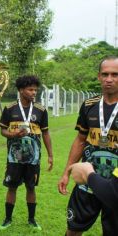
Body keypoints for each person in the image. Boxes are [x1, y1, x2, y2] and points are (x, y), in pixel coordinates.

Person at [58, 56, 118, 236]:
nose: (109, 79)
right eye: (105, 74)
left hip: (114, 187)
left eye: (115, 74)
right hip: (86, 182)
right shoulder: (89, 105)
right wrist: (67, 171)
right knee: (73, 230)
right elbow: (80, 140)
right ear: (99, 76)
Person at [0, 75, 53, 231]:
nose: (33, 92)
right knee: (12, 187)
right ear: (21, 90)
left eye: (35, 90)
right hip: (14, 158)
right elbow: (3, 130)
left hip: (33, 159)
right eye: (30, 89)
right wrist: (12, 135)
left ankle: (32, 219)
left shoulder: (41, 110)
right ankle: (7, 219)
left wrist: (50, 155)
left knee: (31, 187)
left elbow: (46, 134)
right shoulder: (9, 109)